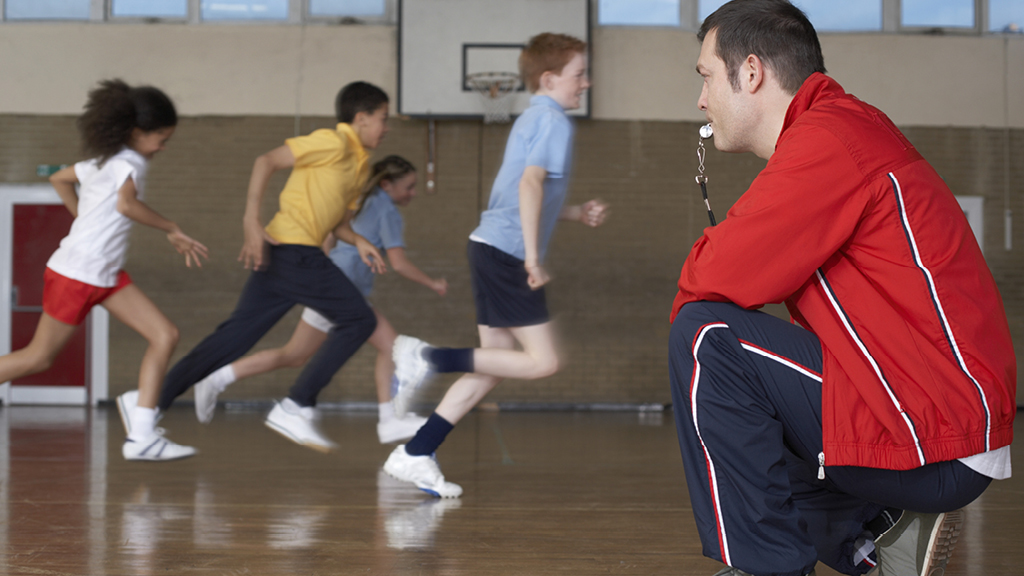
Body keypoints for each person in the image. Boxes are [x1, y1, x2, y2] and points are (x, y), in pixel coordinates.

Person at [667, 2, 1016, 576]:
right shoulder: (843, 127)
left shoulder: (830, 139)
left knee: (707, 338)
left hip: (934, 434)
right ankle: (878, 541)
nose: (702, 99)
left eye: (705, 76)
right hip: (940, 423)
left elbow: (710, 277)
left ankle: (768, 568)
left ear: (750, 72)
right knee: (747, 390)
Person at [383, 33, 609, 498]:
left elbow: (517, 195)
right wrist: (531, 258)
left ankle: (416, 452)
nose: (586, 83)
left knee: (491, 368)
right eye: (579, 74)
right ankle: (425, 358)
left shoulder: (531, 118)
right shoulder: (553, 123)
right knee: (543, 361)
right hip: (506, 254)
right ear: (549, 78)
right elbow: (529, 185)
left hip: (489, 246)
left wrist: (571, 212)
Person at [155, 81, 393, 453]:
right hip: (294, 250)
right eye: (383, 119)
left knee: (233, 339)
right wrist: (251, 220)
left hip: (285, 255)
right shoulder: (332, 142)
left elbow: (335, 223)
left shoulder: (360, 168)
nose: (387, 127)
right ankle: (297, 405)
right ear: (361, 119)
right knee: (359, 320)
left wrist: (359, 240)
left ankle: (149, 403)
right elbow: (265, 161)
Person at [0, 79, 208, 461]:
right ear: (136, 133)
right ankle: (142, 426)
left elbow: (58, 178)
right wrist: (172, 229)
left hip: (105, 274)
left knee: (164, 334)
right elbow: (127, 206)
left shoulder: (102, 162)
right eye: (161, 138)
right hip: (78, 274)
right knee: (37, 358)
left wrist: (83, 217)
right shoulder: (129, 162)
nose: (162, 147)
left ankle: (142, 433)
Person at [190, 155, 447, 444]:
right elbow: (398, 263)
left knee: (295, 355)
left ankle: (216, 378)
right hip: (340, 290)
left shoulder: (363, 201)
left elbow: (328, 234)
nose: (413, 193)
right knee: (388, 346)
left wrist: (320, 269)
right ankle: (388, 420)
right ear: (387, 185)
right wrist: (433, 282)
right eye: (409, 187)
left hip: (337, 286)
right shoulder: (387, 210)